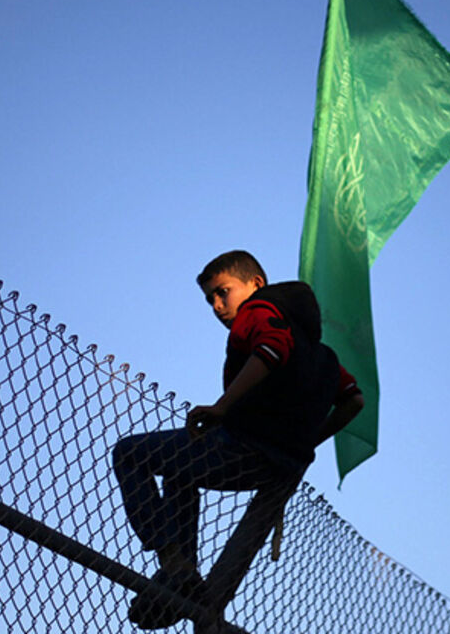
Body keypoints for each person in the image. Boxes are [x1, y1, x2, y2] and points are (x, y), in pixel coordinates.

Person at [113, 250, 364, 629]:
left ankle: (174, 564)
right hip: (280, 466)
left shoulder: (257, 312)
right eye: (210, 299)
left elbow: (271, 349)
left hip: (245, 446)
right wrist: (310, 440)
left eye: (222, 291)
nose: (216, 305)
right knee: (181, 470)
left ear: (255, 285)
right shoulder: (322, 354)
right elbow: (354, 400)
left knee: (130, 454)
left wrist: (222, 407)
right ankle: (185, 579)